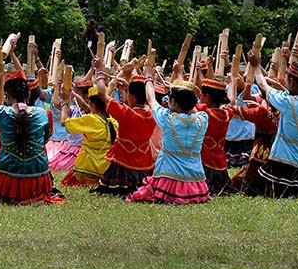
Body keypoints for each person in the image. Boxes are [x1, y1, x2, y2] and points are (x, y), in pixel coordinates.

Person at [0, 66, 64, 205]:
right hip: (38, 173)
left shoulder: (1, 112)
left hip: (6, 173)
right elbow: (45, 140)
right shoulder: (43, 113)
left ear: (7, 96)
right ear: (28, 95)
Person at [246, 54, 298, 198]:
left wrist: (256, 65)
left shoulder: (287, 102)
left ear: (292, 82)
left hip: (284, 164)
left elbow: (263, 85)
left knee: (254, 190)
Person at [127, 73, 210, 204]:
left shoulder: (168, 119)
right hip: (196, 179)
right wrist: (181, 91)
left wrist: (149, 78)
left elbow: (151, 100)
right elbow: (191, 108)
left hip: (168, 177)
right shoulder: (202, 120)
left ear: (172, 101)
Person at [92, 67, 156, 196]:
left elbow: (101, 93)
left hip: (123, 161)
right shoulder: (153, 113)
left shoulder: (125, 113)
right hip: (144, 164)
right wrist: (128, 89)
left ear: (132, 98)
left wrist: (99, 70)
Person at [61, 82, 118, 188]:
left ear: (92, 105)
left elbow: (64, 122)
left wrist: (64, 103)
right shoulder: (114, 122)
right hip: (106, 169)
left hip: (87, 168)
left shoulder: (91, 119)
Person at [194, 73, 235, 196]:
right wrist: (233, 83)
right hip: (220, 164)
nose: (200, 96)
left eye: (202, 94)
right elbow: (232, 102)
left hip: (205, 162)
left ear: (207, 96)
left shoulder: (204, 112)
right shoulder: (227, 113)